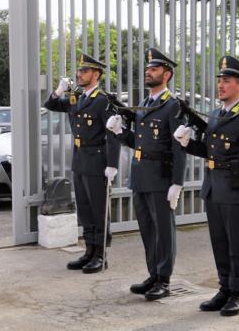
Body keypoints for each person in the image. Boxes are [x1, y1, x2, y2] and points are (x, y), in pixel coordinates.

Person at [174, 56, 239, 316]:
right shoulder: (215, 114)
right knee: (219, 242)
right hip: (214, 187)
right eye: (219, 81)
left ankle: (238, 293)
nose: (221, 86)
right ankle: (224, 287)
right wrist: (187, 143)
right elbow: (209, 151)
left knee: (236, 244)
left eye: (226, 81)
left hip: (237, 189)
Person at [107, 48, 186, 300]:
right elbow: (138, 142)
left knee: (164, 230)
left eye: (154, 69)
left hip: (161, 177)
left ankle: (164, 279)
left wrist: (177, 182)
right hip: (140, 175)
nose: (148, 72)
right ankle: (153, 273)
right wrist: (121, 132)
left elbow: (179, 146)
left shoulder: (172, 106)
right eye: (148, 69)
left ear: (167, 74)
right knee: (148, 230)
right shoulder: (144, 104)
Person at [43, 53, 120, 273]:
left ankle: (101, 255)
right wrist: (58, 90)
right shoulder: (78, 97)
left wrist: (112, 164)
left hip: (97, 160)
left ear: (96, 74)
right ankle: (89, 251)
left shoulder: (103, 100)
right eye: (79, 71)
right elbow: (51, 104)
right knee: (85, 209)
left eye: (84, 71)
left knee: (98, 210)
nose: (79, 74)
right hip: (79, 159)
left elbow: (113, 134)